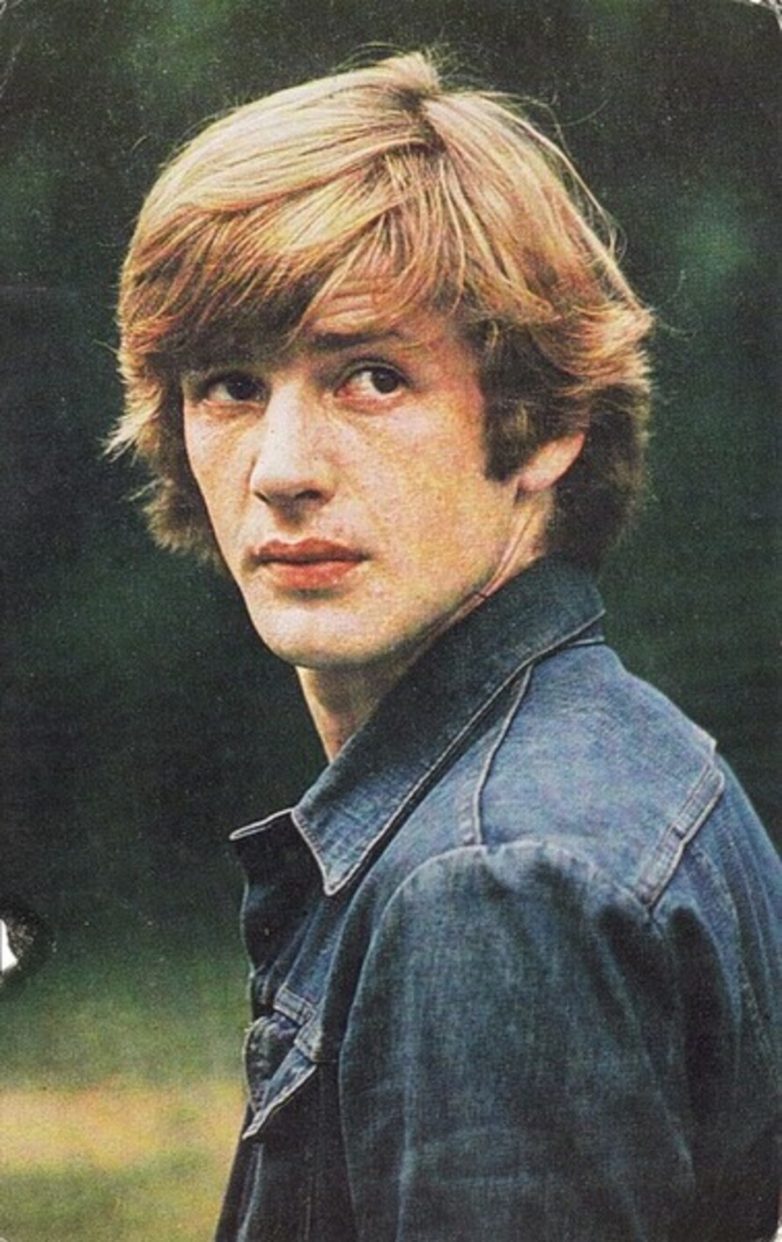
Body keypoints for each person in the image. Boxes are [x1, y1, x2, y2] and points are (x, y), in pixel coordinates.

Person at [112, 51, 781, 1242]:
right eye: (229, 386)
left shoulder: (491, 884)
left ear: (545, 424)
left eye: (370, 377)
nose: (281, 470)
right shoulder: (620, 757)